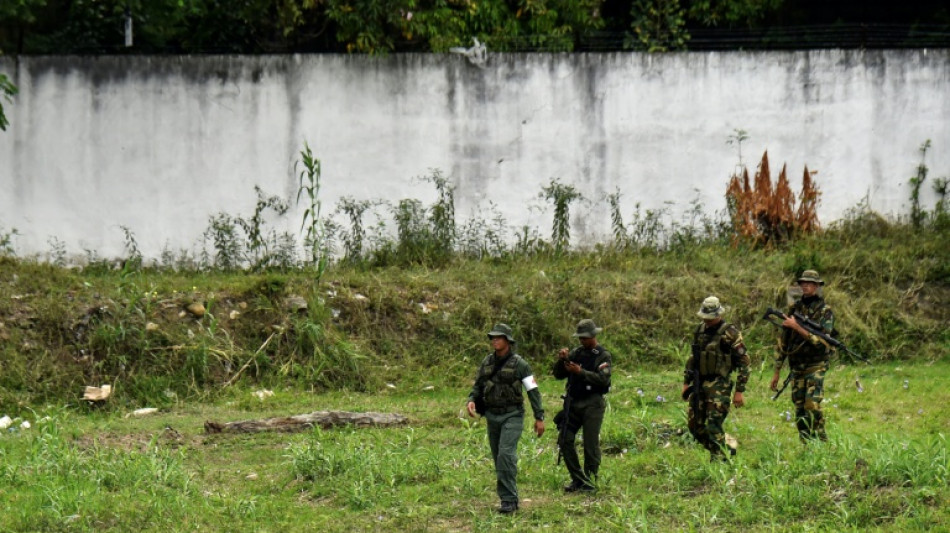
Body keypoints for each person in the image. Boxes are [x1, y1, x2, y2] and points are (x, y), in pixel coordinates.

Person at [466, 323, 545, 514]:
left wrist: (539, 416)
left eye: (499, 337)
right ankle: (507, 498)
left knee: (505, 455)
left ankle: (509, 500)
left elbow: (532, 391)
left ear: (507, 341)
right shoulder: (487, 362)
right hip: (492, 415)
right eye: (492, 337)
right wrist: (471, 400)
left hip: (513, 415)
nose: (495, 340)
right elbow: (479, 384)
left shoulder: (520, 365)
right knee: (497, 457)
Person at [682, 296, 750, 461]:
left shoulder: (730, 333)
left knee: (713, 425)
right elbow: (693, 358)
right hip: (700, 383)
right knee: (694, 427)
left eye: (711, 317)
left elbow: (745, 363)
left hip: (720, 384)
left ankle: (721, 459)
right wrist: (686, 382)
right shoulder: (700, 330)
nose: (708, 320)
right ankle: (722, 450)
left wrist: (739, 391)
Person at [770, 270, 834, 442]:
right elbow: (784, 341)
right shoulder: (794, 308)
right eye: (803, 282)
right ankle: (806, 443)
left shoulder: (825, 311)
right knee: (799, 408)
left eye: (810, 283)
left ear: (817, 286)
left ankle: (821, 440)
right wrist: (777, 371)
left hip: (816, 364)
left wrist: (797, 327)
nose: (805, 285)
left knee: (812, 404)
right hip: (797, 365)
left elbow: (822, 342)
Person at [553, 319, 612, 492]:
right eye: (580, 338)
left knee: (590, 445)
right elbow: (558, 374)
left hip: (592, 403)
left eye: (585, 338)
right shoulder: (576, 353)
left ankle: (591, 480)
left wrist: (581, 372)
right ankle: (578, 479)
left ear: (594, 336)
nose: (582, 341)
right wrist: (562, 360)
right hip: (573, 402)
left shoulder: (602, 355)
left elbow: (603, 379)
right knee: (565, 439)